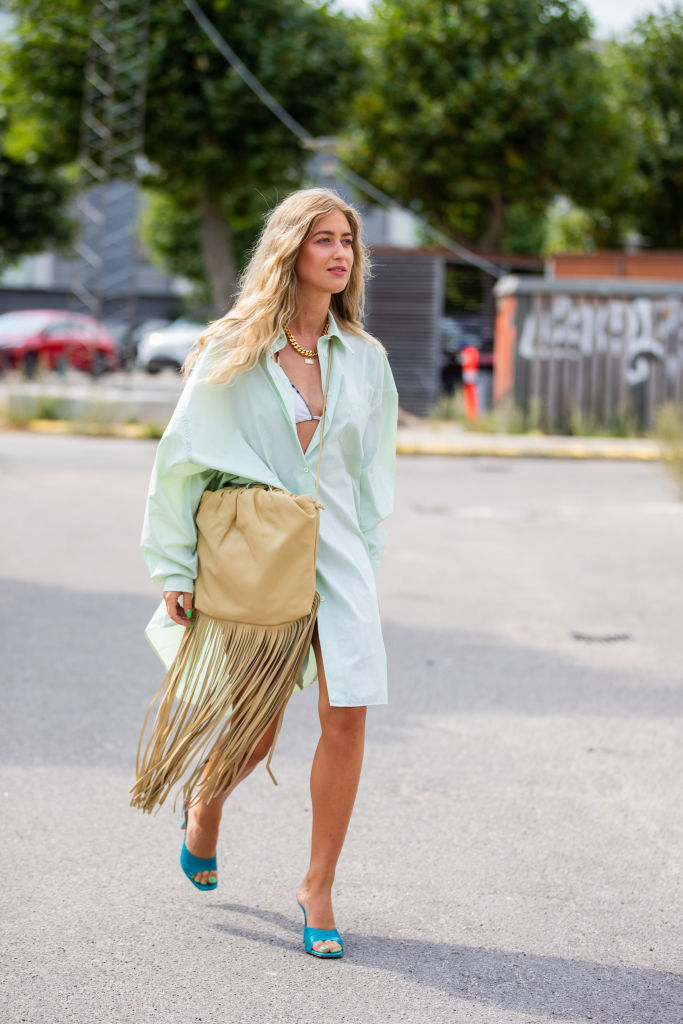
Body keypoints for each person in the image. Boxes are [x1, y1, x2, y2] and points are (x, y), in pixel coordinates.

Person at [138, 187, 398, 959]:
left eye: (347, 239)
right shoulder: (234, 349)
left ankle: (316, 886)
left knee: (347, 711)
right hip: (258, 552)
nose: (339, 252)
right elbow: (179, 460)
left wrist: (366, 560)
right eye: (322, 238)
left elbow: (370, 470)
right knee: (253, 732)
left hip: (340, 553)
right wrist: (173, 565)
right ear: (290, 249)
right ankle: (206, 802)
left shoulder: (365, 359)